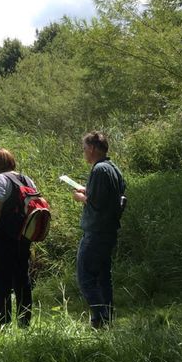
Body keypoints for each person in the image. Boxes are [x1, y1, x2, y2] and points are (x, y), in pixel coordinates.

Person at [71, 131, 126, 329]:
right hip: (108, 231)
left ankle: (101, 317)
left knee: (85, 278)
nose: (84, 152)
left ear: (93, 148)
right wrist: (89, 193)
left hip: (96, 232)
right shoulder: (112, 168)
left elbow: (97, 204)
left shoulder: (99, 170)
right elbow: (110, 197)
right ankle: (104, 320)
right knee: (103, 278)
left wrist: (81, 198)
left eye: (85, 148)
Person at [0, 148, 36, 328]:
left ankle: (4, 327)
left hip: (2, 239)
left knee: (1, 284)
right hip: (23, 238)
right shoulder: (26, 179)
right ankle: (24, 325)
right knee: (22, 281)